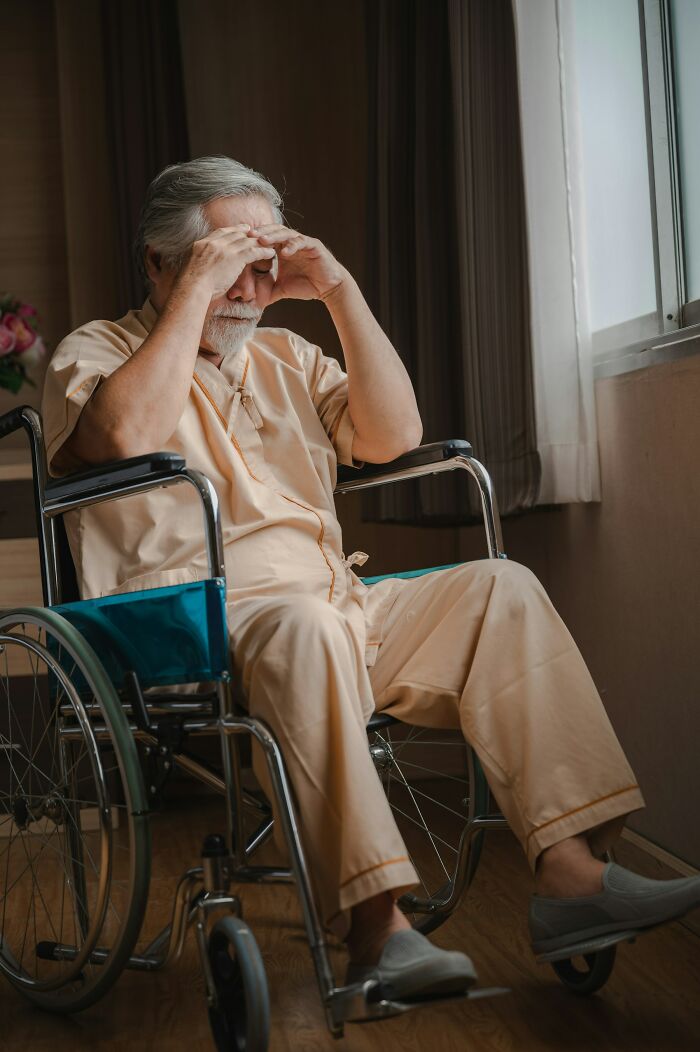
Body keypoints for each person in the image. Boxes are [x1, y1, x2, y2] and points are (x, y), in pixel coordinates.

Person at [42, 156, 700, 1001]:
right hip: (199, 621)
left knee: (499, 587)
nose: (249, 283)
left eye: (260, 260)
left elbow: (393, 435)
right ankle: (376, 929)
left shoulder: (284, 353)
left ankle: (572, 877)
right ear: (157, 263)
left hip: (336, 603)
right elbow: (126, 434)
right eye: (222, 258)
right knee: (305, 629)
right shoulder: (96, 351)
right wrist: (196, 295)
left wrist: (340, 289)